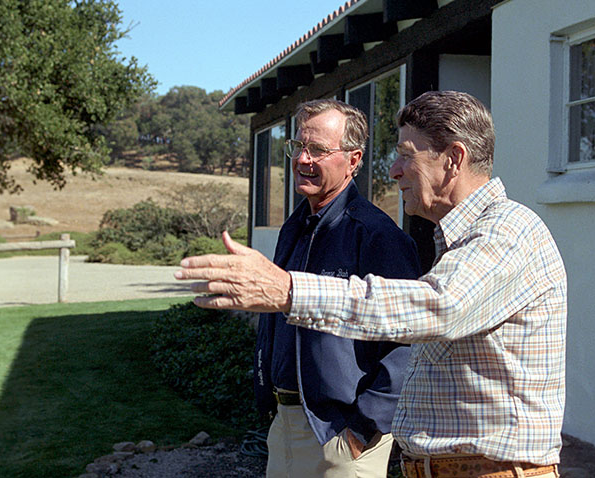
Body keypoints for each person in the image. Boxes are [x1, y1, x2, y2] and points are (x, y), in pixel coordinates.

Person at [176, 91, 567, 478]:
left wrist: (289, 291)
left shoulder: (508, 231)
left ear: (454, 159)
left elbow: (437, 307)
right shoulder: (455, 241)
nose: (394, 170)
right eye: (298, 146)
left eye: (405, 155)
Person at [250, 99, 421, 478]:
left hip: (343, 439)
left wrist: (362, 430)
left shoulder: (377, 236)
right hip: (285, 424)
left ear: (354, 160)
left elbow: (407, 345)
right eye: (298, 147)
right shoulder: (294, 229)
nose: (302, 159)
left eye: (318, 150)